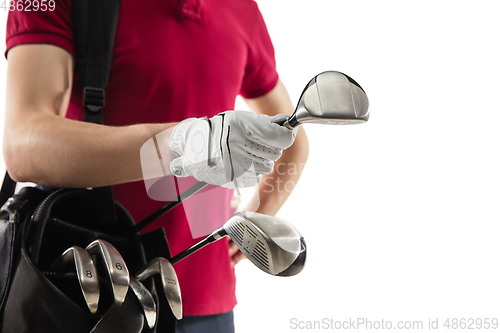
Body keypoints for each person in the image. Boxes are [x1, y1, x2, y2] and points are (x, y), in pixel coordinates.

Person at [4, 0, 309, 332]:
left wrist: (258, 213)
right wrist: (184, 142)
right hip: (90, 298)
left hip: (209, 299)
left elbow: (292, 137)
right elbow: (23, 146)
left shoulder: (242, 8)